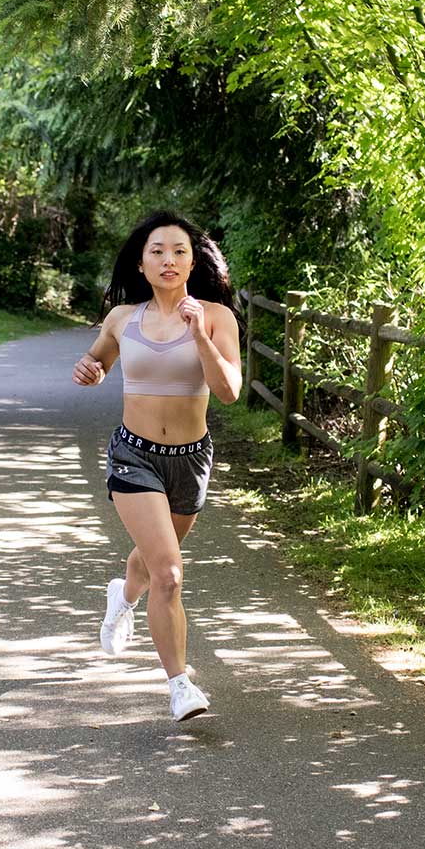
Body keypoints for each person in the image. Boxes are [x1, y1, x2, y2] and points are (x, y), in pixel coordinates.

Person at [72, 210, 243, 721]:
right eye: (157, 252)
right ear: (142, 265)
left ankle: (120, 597)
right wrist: (90, 370)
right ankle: (179, 685)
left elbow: (229, 392)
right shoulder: (124, 318)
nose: (169, 260)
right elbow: (96, 360)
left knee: (148, 563)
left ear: (193, 262)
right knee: (168, 572)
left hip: (190, 460)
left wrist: (199, 335)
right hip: (134, 455)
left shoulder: (215, 317)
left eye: (179, 251)